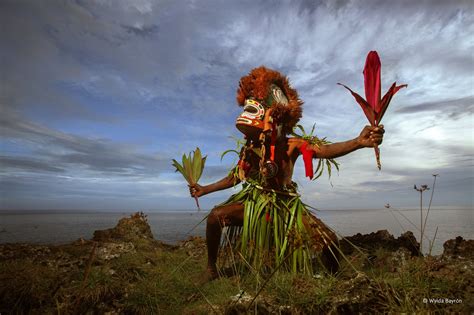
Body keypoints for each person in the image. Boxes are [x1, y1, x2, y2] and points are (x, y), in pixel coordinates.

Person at [190, 66, 384, 280]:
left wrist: (358, 142)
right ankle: (211, 268)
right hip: (255, 204)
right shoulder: (251, 149)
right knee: (216, 217)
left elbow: (324, 151)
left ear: (279, 118)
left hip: (286, 207)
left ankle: (334, 278)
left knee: (328, 240)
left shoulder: (293, 145)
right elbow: (235, 176)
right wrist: (205, 189)